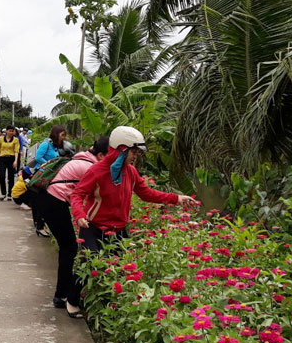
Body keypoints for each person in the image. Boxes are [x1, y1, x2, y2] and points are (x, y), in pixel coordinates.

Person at [68, 126, 197, 308]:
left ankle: (110, 306)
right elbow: (77, 194)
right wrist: (80, 214)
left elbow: (147, 194)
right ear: (121, 149)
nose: (135, 157)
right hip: (92, 227)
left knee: (121, 269)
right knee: (88, 264)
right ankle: (72, 301)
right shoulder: (96, 171)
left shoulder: (130, 172)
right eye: (133, 152)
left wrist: (177, 198)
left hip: (118, 230)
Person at [40, 136, 110, 317]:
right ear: (101, 155)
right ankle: (61, 296)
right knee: (69, 248)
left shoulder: (83, 157)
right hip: (55, 203)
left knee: (68, 248)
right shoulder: (90, 167)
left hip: (51, 201)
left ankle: (62, 294)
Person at [11, 167, 49, 236]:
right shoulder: (24, 182)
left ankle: (37, 223)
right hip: (18, 198)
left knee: (32, 193)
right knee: (32, 192)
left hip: (16, 197)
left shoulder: (22, 179)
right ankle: (25, 204)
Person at [0, 127, 21, 201]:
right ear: (6, 131)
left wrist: (16, 161)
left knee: (10, 177)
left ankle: (10, 194)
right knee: (2, 175)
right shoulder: (1, 139)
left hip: (11, 158)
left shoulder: (15, 140)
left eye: (12, 131)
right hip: (2, 159)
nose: (11, 132)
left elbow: (16, 151)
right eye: (10, 131)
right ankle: (3, 193)